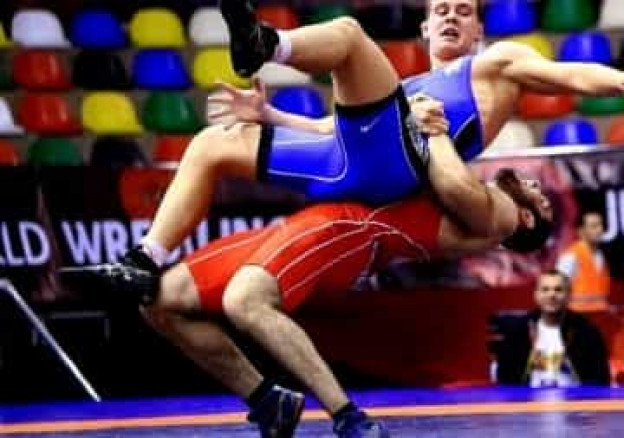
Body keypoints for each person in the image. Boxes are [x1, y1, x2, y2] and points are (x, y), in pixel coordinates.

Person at [63, 0, 624, 320]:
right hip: (348, 158)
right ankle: (144, 260)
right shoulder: (403, 89)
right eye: (440, 11)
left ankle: (267, 43)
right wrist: (268, 115)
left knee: (352, 38)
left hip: (396, 164)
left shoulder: (493, 64)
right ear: (424, 29)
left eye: (463, 12)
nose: (450, 17)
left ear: (479, 32)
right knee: (211, 145)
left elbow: (566, 72)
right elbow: (332, 129)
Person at [142, 136, 553, 437]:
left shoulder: (501, 217)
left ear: (527, 219)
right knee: (159, 300)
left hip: (351, 227)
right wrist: (271, 117)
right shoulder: (486, 209)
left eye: (542, 198)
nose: (535, 185)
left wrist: (435, 129)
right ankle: (269, 400)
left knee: (245, 300)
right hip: (316, 221)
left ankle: (348, 416)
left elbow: (452, 182)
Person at [490, 270, 610, 387]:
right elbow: (505, 379)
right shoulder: (518, 331)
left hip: (575, 398)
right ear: (536, 295)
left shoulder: (586, 332)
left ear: (569, 295)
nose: (551, 295)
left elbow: (600, 380)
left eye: (558, 290)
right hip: (528, 399)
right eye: (545, 289)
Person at [556, 210, 611, 312]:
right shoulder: (570, 257)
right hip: (578, 315)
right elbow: (558, 290)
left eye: (601, 225)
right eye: (594, 226)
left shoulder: (600, 255)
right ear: (581, 231)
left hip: (600, 314)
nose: (600, 230)